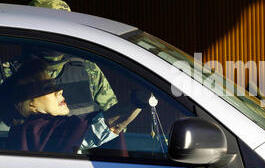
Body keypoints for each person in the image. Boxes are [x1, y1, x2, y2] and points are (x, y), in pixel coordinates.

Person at [0, 59, 152, 153]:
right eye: (47, 89)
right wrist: (137, 101)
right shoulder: (36, 130)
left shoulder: (29, 130)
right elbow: (97, 129)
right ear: (30, 104)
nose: (59, 90)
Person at [0, 0, 118, 117]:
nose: (56, 33)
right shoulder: (8, 74)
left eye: (62, 26)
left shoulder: (88, 68)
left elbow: (115, 121)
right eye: (48, 26)